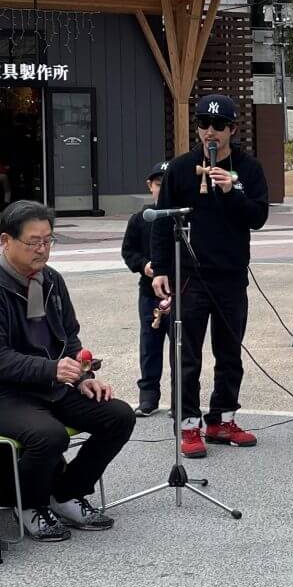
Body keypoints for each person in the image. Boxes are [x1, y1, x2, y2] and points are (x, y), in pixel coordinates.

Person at [0, 201, 134, 541]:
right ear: (6, 240)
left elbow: (69, 337)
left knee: (118, 416)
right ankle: (28, 505)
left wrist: (83, 377)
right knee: (49, 435)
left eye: (48, 240)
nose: (42, 249)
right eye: (33, 242)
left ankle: (66, 493)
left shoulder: (51, 280)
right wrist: (52, 369)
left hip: (49, 386)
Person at [152, 94, 270, 459]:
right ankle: (188, 424)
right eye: (203, 124)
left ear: (232, 129)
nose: (210, 132)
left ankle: (222, 419)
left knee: (229, 352)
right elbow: (163, 220)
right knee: (187, 354)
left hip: (231, 275)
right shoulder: (181, 168)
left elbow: (258, 217)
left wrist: (231, 191)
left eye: (218, 125)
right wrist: (160, 269)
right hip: (191, 275)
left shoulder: (248, 168)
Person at [121, 163, 167, 416]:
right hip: (149, 292)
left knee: (183, 348)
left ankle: (182, 397)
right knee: (150, 345)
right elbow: (128, 251)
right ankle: (148, 397)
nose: (163, 189)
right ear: (150, 186)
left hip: (180, 291)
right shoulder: (140, 219)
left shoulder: (184, 217)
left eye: (167, 184)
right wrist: (143, 265)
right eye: (158, 184)